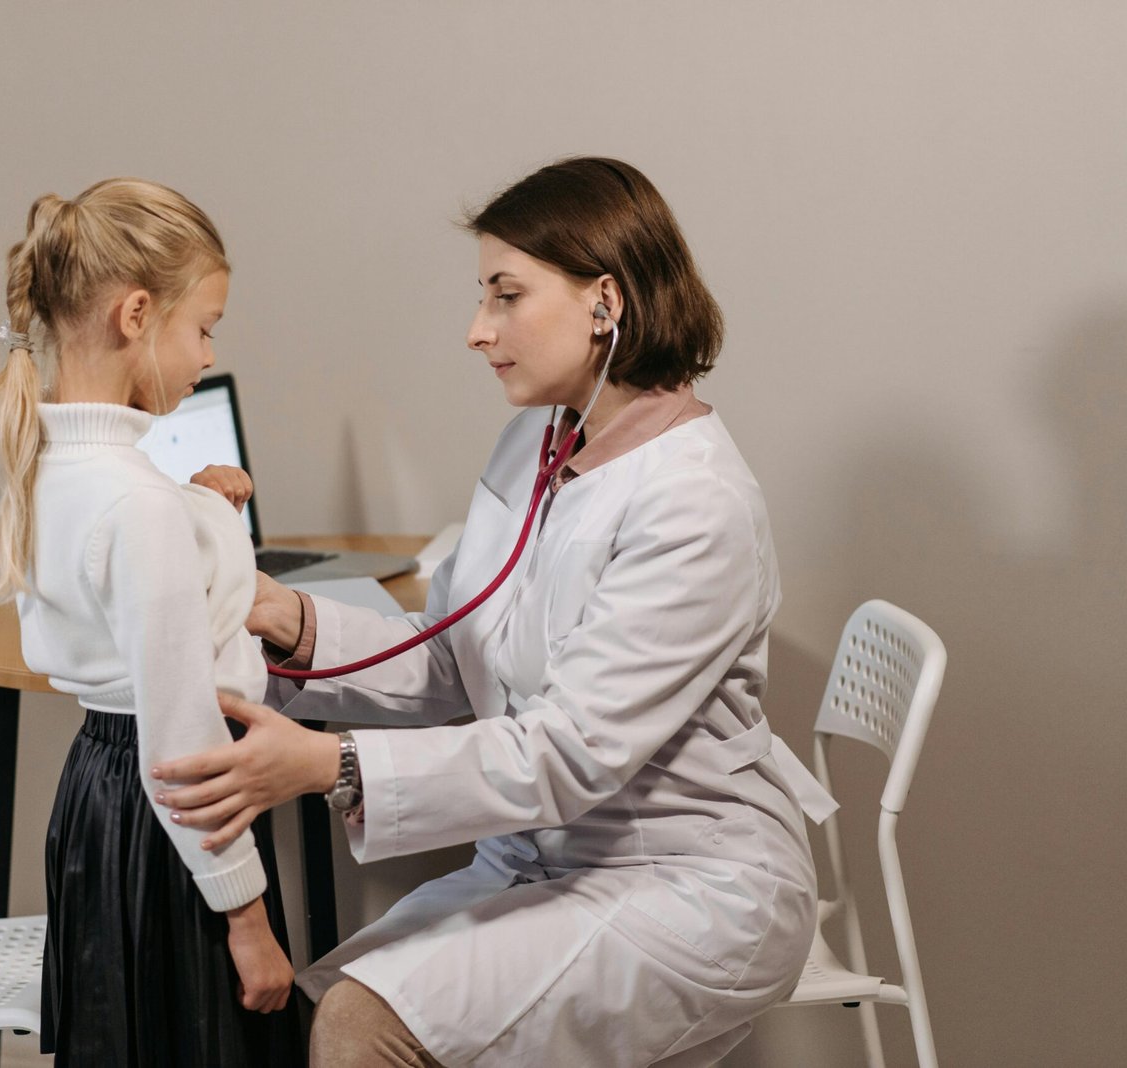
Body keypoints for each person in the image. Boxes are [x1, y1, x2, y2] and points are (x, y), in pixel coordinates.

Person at [152, 157, 836, 1067]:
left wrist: (326, 763)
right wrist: (284, 616)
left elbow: (564, 753)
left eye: (505, 295)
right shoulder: (540, 438)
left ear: (606, 300)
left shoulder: (695, 502)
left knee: (358, 1031)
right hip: (543, 863)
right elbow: (454, 662)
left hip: (687, 884)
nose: (478, 331)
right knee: (280, 1020)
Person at [0, 177, 305, 1066]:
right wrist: (247, 919)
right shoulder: (139, 507)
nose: (207, 356)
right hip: (178, 814)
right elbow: (183, 735)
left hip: (100, 794)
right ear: (135, 315)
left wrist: (202, 517)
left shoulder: (55, 468)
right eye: (204, 328)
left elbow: (125, 615)